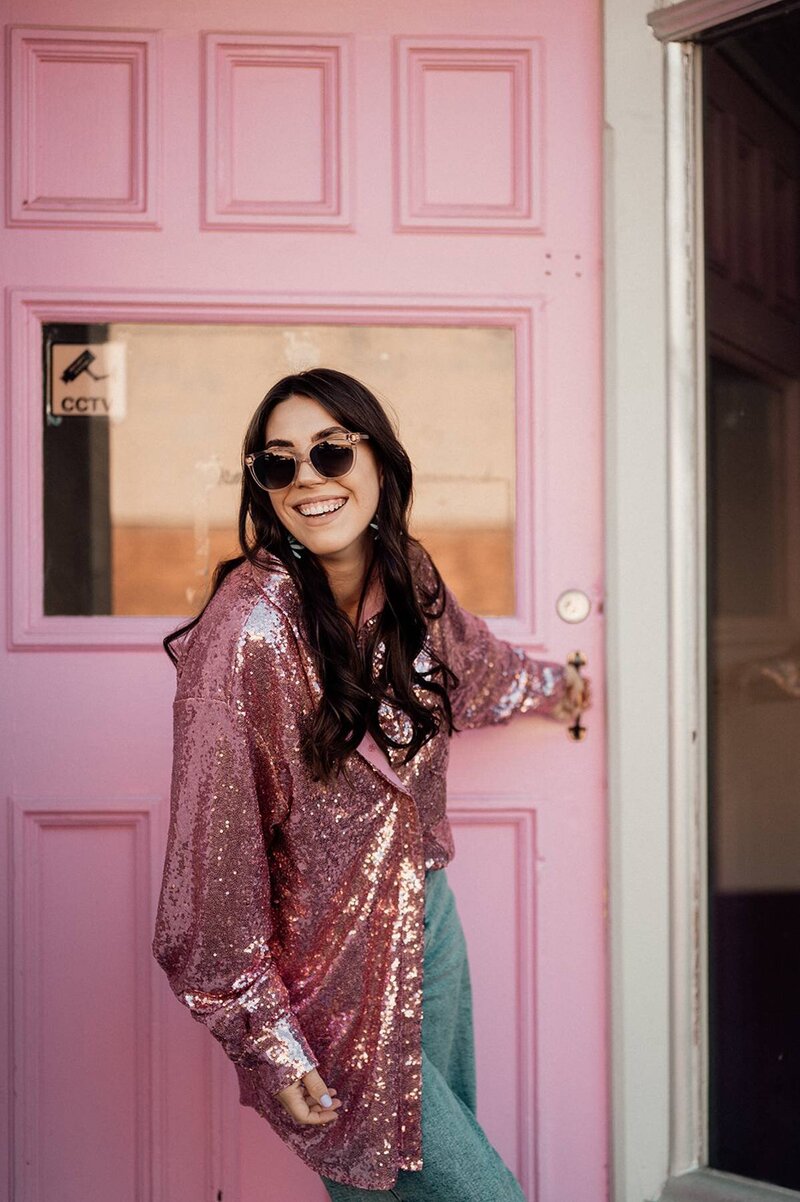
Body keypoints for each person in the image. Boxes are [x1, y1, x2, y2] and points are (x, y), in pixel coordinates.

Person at [152, 368, 591, 1200]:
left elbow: (475, 668)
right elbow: (208, 878)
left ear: (380, 462)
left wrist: (554, 689)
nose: (308, 479)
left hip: (431, 920)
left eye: (330, 451)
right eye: (278, 464)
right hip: (326, 968)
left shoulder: (409, 578)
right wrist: (267, 1038)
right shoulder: (242, 635)